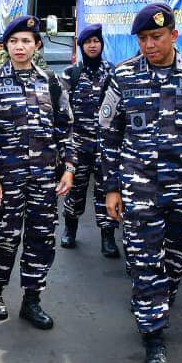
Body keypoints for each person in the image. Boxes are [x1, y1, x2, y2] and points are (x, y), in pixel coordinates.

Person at [98, 2, 182, 363]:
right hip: (139, 190)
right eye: (142, 39)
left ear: (174, 34)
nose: (149, 45)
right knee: (145, 262)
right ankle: (154, 338)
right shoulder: (122, 77)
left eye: (156, 37)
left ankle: (155, 301)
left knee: (175, 260)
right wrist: (111, 188)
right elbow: (108, 136)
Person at [0, 15, 74, 330]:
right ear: (6, 46)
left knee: (41, 238)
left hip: (44, 179)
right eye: (14, 41)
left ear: (36, 45)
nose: (20, 47)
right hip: (7, 178)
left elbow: (65, 129)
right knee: (5, 238)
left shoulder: (51, 82)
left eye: (26, 41)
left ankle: (32, 300)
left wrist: (68, 168)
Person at [59, 24, 119, 257]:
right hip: (79, 144)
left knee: (107, 190)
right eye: (88, 42)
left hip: (106, 145)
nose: (93, 45)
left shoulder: (112, 73)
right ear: (82, 46)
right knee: (75, 189)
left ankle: (108, 238)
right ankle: (70, 230)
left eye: (96, 41)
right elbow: (63, 112)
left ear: (102, 44)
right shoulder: (72, 74)